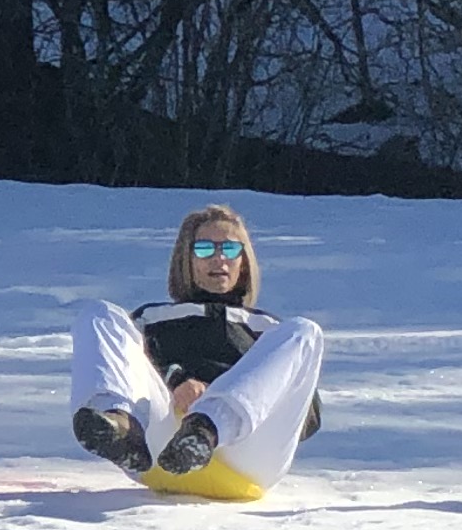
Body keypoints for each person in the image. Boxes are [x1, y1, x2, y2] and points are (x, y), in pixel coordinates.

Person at [68, 204, 327, 500]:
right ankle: (118, 426)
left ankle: (206, 429)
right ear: (185, 259)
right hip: (158, 446)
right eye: (205, 249)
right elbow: (129, 367)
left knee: (305, 330)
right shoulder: (153, 318)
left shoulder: (270, 330)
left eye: (230, 249)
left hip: (246, 457)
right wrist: (176, 381)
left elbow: (309, 418)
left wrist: (224, 393)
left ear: (244, 260)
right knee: (99, 314)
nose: (219, 259)